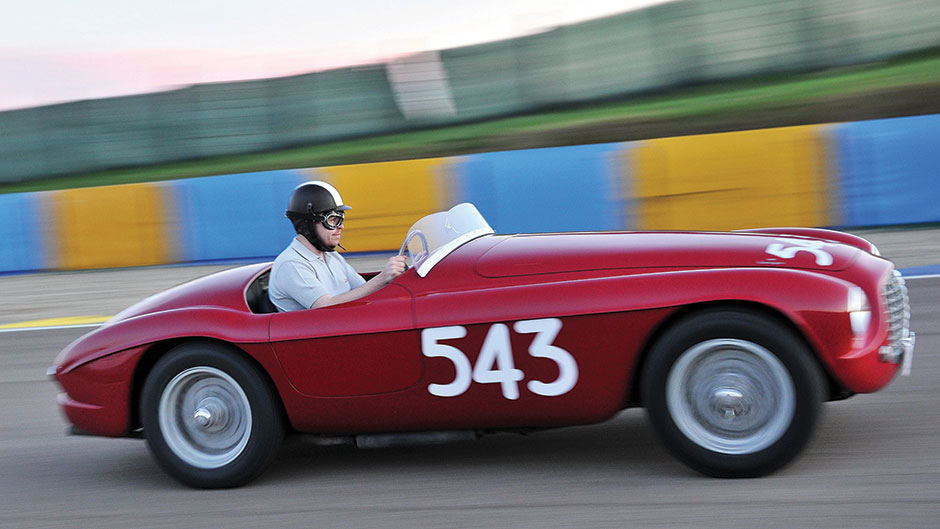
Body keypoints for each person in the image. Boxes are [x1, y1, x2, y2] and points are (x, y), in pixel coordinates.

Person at [268, 181, 406, 311]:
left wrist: (395, 277)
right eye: (332, 219)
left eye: (340, 218)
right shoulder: (291, 264)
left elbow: (363, 289)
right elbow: (326, 307)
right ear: (307, 225)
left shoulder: (331, 255)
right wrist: (383, 277)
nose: (341, 226)